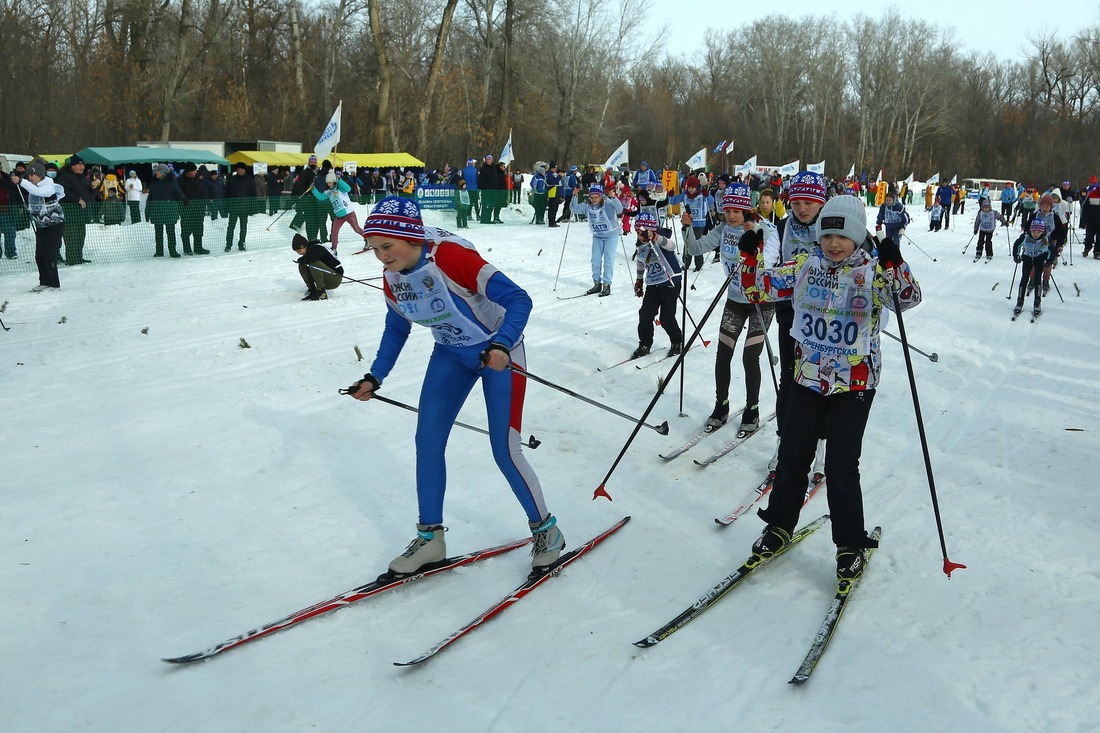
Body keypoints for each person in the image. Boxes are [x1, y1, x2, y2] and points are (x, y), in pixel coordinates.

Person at [347, 196, 565, 578]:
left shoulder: (450, 258)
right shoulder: (394, 274)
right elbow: (397, 326)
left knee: (504, 448)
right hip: (450, 355)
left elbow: (518, 299)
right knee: (427, 441)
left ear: (412, 237)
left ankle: (547, 531)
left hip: (499, 352)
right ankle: (431, 538)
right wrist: (375, 376)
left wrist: (501, 343)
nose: (380, 256)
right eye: (374, 248)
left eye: (386, 246)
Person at [738, 194, 922, 584]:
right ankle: (779, 525)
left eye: (842, 236)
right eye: (827, 236)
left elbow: (907, 299)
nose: (833, 244)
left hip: (853, 385)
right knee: (792, 459)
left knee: (840, 468)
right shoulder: (805, 266)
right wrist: (750, 256)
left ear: (856, 236)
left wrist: (895, 263)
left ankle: (850, 545)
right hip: (807, 378)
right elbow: (756, 290)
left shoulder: (873, 273)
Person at [683, 182, 780, 436]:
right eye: (728, 210)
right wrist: (688, 226)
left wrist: (757, 238)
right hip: (736, 300)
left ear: (747, 208)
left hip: (762, 301)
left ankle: (752, 408)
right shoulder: (723, 230)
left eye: (737, 210)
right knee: (723, 352)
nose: (732, 215)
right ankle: (721, 405)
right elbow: (695, 249)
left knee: (750, 356)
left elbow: (772, 257)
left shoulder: (764, 229)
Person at [630, 212, 683, 358]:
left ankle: (677, 341)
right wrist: (639, 281)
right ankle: (645, 343)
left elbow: (671, 246)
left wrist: (656, 237)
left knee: (666, 318)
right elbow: (641, 262)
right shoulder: (641, 245)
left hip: (670, 281)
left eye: (644, 232)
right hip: (653, 283)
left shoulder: (659, 239)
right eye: (638, 232)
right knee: (645, 314)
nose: (641, 235)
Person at [13, 160, 64, 290]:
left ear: (40, 175)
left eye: (32, 175)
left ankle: (54, 283)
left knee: (48, 253)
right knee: (39, 255)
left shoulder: (49, 186)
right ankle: (44, 281)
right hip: (41, 225)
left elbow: (41, 193)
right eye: (28, 176)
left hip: (54, 224)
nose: (29, 178)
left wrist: (21, 182)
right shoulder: (33, 187)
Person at [574, 183, 623, 296]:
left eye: (596, 197)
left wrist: (614, 197)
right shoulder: (587, 205)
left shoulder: (608, 203)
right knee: (595, 260)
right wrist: (575, 197)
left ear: (601, 196)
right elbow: (575, 209)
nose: (593, 199)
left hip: (611, 235)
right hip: (597, 236)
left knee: (608, 260)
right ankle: (597, 283)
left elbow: (620, 210)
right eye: (591, 197)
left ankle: (607, 285)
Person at [312, 170, 364, 254]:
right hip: (339, 216)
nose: (329, 184)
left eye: (330, 183)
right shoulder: (328, 192)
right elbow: (321, 197)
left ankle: (368, 239)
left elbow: (348, 188)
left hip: (348, 213)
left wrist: (339, 180)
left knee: (356, 228)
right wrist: (313, 189)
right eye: (328, 183)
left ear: (334, 182)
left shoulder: (340, 188)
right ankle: (334, 248)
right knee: (334, 232)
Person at [56, 154, 93, 265]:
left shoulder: (81, 177)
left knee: (81, 236)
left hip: (81, 213)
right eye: (79, 165)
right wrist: (77, 199)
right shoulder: (64, 177)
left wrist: (93, 188)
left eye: (83, 165)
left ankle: (78, 257)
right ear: (73, 166)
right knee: (72, 237)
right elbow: (62, 193)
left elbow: (87, 195)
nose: (82, 167)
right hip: (70, 213)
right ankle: (72, 260)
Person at [1013, 218, 1053, 318]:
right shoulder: (1025, 237)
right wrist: (1016, 255)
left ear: (1042, 231)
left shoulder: (1045, 239)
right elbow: (1016, 245)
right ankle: (1020, 300)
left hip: (1039, 260)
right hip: (1027, 259)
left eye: (1038, 231)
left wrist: (1049, 261)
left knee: (1037, 279)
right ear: (1030, 230)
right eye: (1034, 231)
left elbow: (1051, 251)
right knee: (1024, 278)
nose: (1036, 233)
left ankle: (1037, 302)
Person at [146, 164, 186, 257]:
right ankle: (159, 251)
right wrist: (147, 211)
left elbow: (178, 192)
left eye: (158, 171)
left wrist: (183, 198)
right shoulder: (154, 183)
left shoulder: (172, 182)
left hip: (169, 211)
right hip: (157, 211)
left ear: (163, 172)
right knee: (158, 233)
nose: (156, 173)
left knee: (170, 232)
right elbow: (150, 198)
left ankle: (173, 250)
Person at [292, 233, 343, 300]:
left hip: (335, 278)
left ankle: (321, 292)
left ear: (302, 246)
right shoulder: (310, 250)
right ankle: (311, 289)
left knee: (314, 263)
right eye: (297, 252)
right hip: (327, 275)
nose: (299, 254)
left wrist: (303, 259)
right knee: (302, 264)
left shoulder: (316, 248)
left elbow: (313, 257)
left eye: (299, 251)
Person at [177, 163, 210, 255]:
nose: (196, 172)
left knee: (198, 229)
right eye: (194, 170)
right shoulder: (180, 181)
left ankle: (198, 247)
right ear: (188, 172)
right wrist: (183, 199)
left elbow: (203, 191)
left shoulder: (198, 180)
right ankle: (187, 249)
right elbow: (177, 193)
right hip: (186, 209)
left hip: (199, 209)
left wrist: (205, 200)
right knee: (186, 229)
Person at [224, 161, 256, 251]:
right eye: (239, 169)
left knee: (243, 227)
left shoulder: (250, 180)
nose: (240, 170)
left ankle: (241, 244)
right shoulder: (231, 180)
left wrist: (253, 208)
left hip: (245, 208)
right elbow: (226, 194)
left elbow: (253, 195)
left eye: (242, 169)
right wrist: (226, 206)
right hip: (233, 208)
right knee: (231, 227)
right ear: (236, 170)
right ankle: (228, 245)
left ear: (245, 170)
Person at [1080, 176, 1100, 259]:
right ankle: (1087, 248)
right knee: (1089, 236)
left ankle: (1097, 252)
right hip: (1091, 220)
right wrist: (1083, 220)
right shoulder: (1091, 194)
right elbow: (1085, 208)